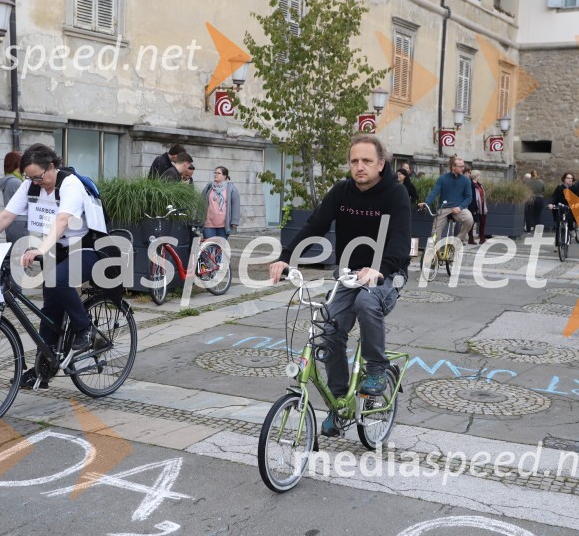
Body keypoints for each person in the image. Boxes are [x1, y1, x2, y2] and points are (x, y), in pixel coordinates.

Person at [268, 134, 411, 436]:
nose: (359, 167)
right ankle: (339, 404)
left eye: (366, 161)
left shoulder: (395, 194)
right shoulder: (343, 191)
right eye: (354, 161)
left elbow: (399, 242)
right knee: (328, 329)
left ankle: (376, 369)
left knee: (366, 302)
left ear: (381, 164)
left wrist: (379, 270)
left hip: (388, 273)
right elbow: (314, 225)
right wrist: (285, 258)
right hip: (349, 274)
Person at [0, 143, 101, 388]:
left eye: (38, 177)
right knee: (49, 309)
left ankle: (85, 329)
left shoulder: (70, 185)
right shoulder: (31, 185)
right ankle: (44, 369)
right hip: (56, 250)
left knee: (58, 280)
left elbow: (61, 222)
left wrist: (40, 249)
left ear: (51, 167)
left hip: (86, 248)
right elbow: (7, 215)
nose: (35, 182)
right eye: (29, 178)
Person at [418, 156, 474, 243]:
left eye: (463, 166)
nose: (463, 168)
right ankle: (435, 249)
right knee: (435, 233)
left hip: (458, 208)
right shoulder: (443, 178)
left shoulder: (466, 180)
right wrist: (426, 203)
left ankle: (458, 240)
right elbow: (434, 192)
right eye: (460, 166)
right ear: (453, 167)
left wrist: (460, 207)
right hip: (443, 208)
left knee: (469, 220)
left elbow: (469, 197)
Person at [201, 166, 240, 239]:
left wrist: (234, 222)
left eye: (218, 173)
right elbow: (201, 202)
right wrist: (198, 218)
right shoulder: (209, 187)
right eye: (215, 173)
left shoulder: (232, 189)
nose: (215, 175)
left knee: (220, 248)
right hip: (208, 224)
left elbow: (235, 206)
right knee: (209, 246)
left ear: (225, 176)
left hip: (223, 225)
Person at [0, 151, 28, 245]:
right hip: (19, 222)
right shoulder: (15, 182)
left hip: (12, 222)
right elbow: (27, 202)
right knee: (21, 252)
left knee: (15, 252)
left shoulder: (8, 180)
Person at [548, 172, 579, 248]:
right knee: (558, 225)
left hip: (571, 207)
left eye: (571, 178)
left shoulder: (575, 188)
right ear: (564, 179)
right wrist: (551, 204)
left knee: (570, 216)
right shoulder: (559, 188)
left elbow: (578, 198)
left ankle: (571, 229)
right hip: (561, 206)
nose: (570, 180)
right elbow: (554, 197)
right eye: (568, 178)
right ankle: (558, 245)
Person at [468, 170, 488, 245]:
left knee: (483, 222)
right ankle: (470, 238)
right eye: (479, 175)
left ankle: (482, 238)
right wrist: (473, 208)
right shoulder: (471, 185)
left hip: (482, 206)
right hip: (474, 206)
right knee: (472, 223)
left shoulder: (479, 185)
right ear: (476, 176)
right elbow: (472, 197)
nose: (480, 176)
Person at [524, 169, 546, 234]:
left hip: (530, 198)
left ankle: (528, 230)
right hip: (539, 199)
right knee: (538, 215)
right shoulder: (541, 182)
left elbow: (524, 190)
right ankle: (539, 231)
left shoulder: (527, 182)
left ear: (531, 175)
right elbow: (543, 191)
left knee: (528, 215)